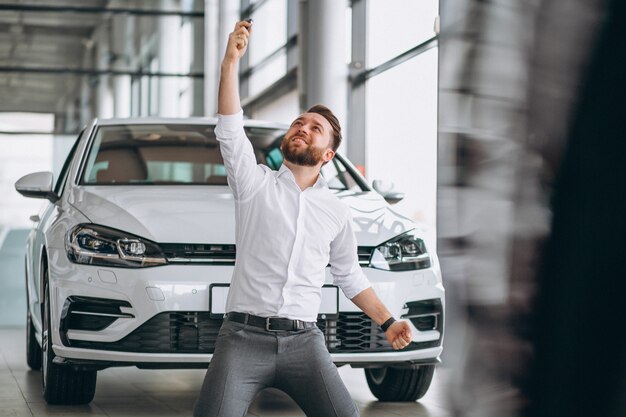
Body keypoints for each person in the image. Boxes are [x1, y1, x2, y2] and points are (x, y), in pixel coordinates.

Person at [193, 20, 413, 417]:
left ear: (328, 155)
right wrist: (230, 63)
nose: (303, 129)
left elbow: (350, 276)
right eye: (299, 123)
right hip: (242, 339)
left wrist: (388, 322)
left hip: (305, 344)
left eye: (315, 129)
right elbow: (229, 130)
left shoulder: (335, 210)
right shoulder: (253, 182)